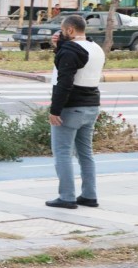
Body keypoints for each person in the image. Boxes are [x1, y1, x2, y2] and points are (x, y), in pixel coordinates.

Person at [46, 15, 105, 210]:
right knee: (85, 153)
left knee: (62, 153)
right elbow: (81, 67)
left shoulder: (71, 51)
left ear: (70, 30)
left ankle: (67, 197)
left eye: (63, 31)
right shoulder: (96, 48)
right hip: (91, 105)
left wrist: (55, 110)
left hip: (71, 108)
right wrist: (60, 47)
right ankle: (89, 195)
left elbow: (64, 81)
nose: (61, 35)